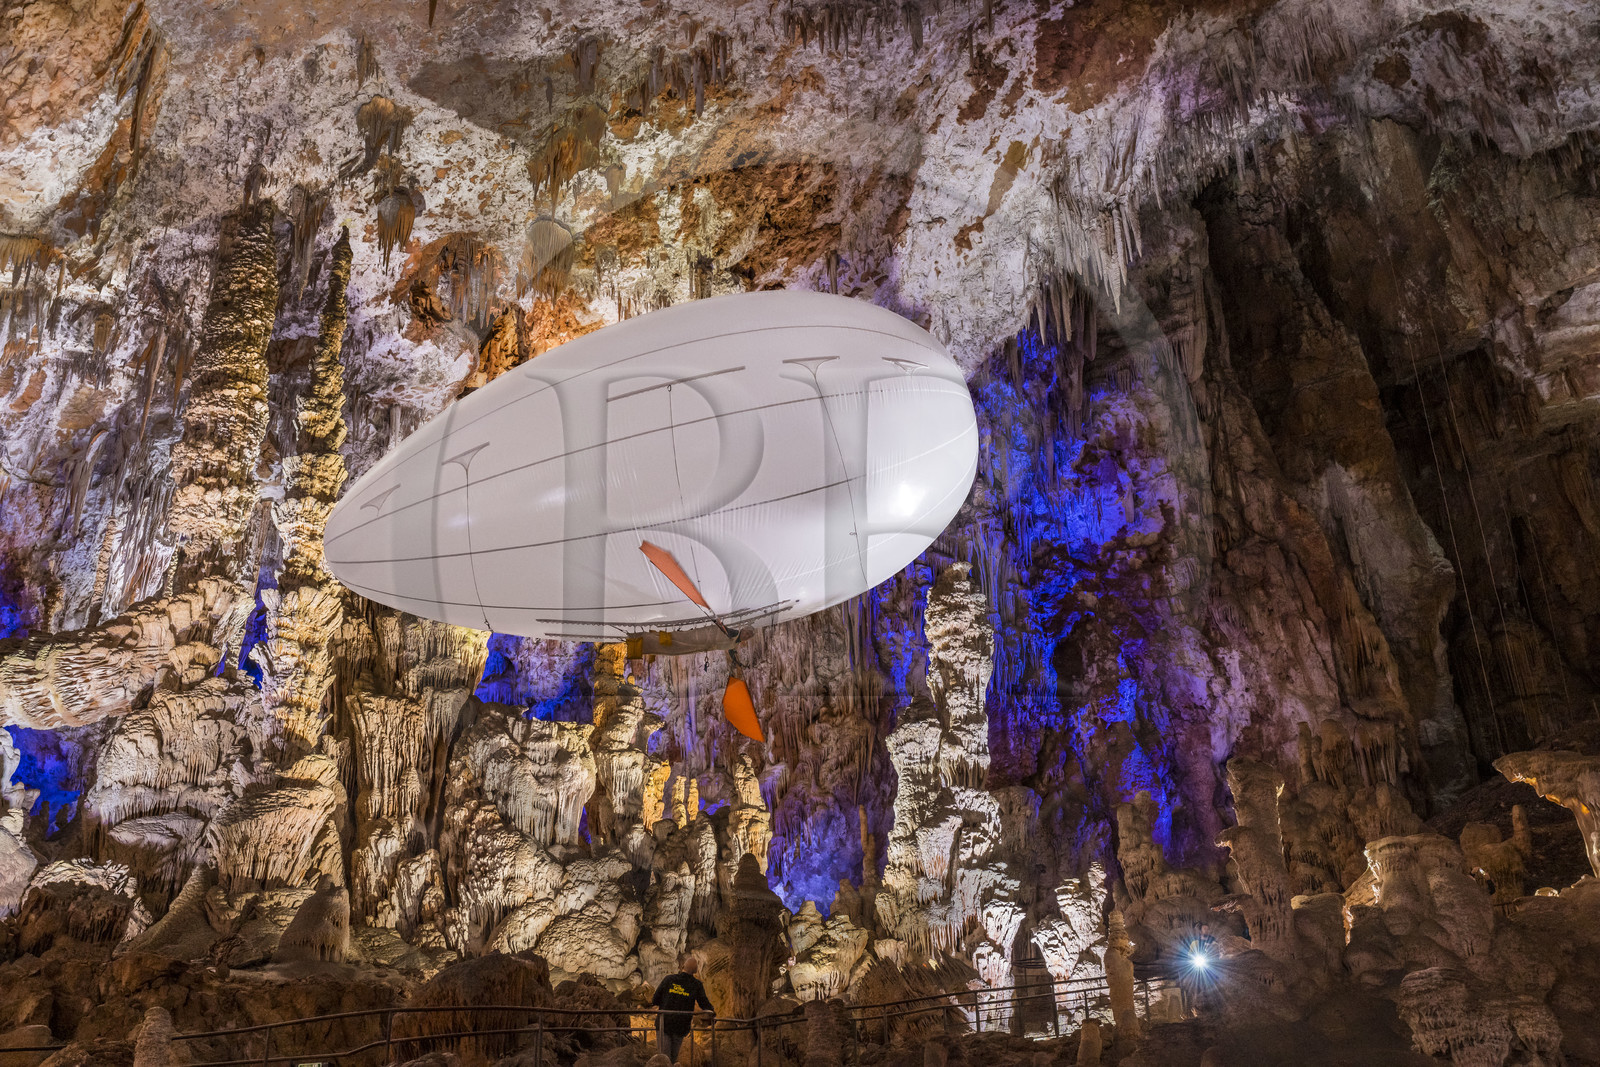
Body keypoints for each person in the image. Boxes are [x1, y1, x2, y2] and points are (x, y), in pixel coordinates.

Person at [651, 954, 715, 1062]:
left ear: (682, 967)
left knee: (664, 1059)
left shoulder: (669, 979)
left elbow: (655, 1000)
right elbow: (704, 1003)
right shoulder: (696, 985)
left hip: (664, 1023)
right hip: (681, 1026)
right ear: (695, 971)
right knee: (673, 1059)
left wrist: (667, 1001)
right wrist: (712, 1011)